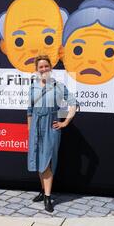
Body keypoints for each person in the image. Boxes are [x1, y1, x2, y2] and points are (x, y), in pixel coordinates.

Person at [27, 55, 78, 212]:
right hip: (35, 126)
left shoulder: (58, 86)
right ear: (37, 70)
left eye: (46, 66)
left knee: (47, 161)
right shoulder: (33, 87)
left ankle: (48, 198)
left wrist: (65, 122)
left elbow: (73, 104)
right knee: (38, 158)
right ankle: (43, 192)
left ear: (51, 68)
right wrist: (30, 130)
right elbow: (29, 110)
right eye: (40, 67)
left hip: (50, 126)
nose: (43, 69)